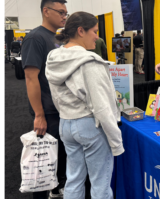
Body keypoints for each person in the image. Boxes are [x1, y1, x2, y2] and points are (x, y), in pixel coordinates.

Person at [45, 11, 124, 199]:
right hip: (90, 125)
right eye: (95, 31)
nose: (97, 37)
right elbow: (102, 106)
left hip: (66, 123)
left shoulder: (54, 58)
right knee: (100, 183)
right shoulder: (91, 62)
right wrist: (116, 141)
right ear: (81, 31)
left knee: (74, 179)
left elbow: (56, 96)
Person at [21, 0, 68, 199]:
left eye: (66, 13)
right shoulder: (35, 38)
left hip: (62, 109)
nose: (64, 16)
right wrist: (39, 114)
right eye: (61, 12)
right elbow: (31, 78)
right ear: (46, 11)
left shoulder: (57, 38)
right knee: (43, 161)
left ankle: (56, 188)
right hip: (47, 112)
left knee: (60, 158)